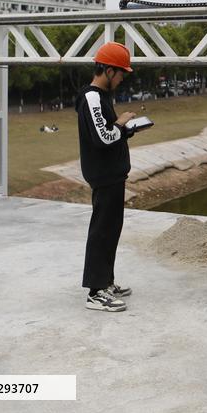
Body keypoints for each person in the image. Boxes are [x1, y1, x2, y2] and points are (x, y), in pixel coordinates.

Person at [76, 42, 137, 312]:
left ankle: (106, 281)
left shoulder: (101, 97)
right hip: (103, 175)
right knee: (101, 231)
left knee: (111, 231)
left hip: (113, 174)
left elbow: (109, 134)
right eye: (121, 73)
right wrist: (122, 125)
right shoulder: (91, 97)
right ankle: (96, 292)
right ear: (109, 71)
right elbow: (103, 137)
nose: (123, 78)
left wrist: (124, 129)